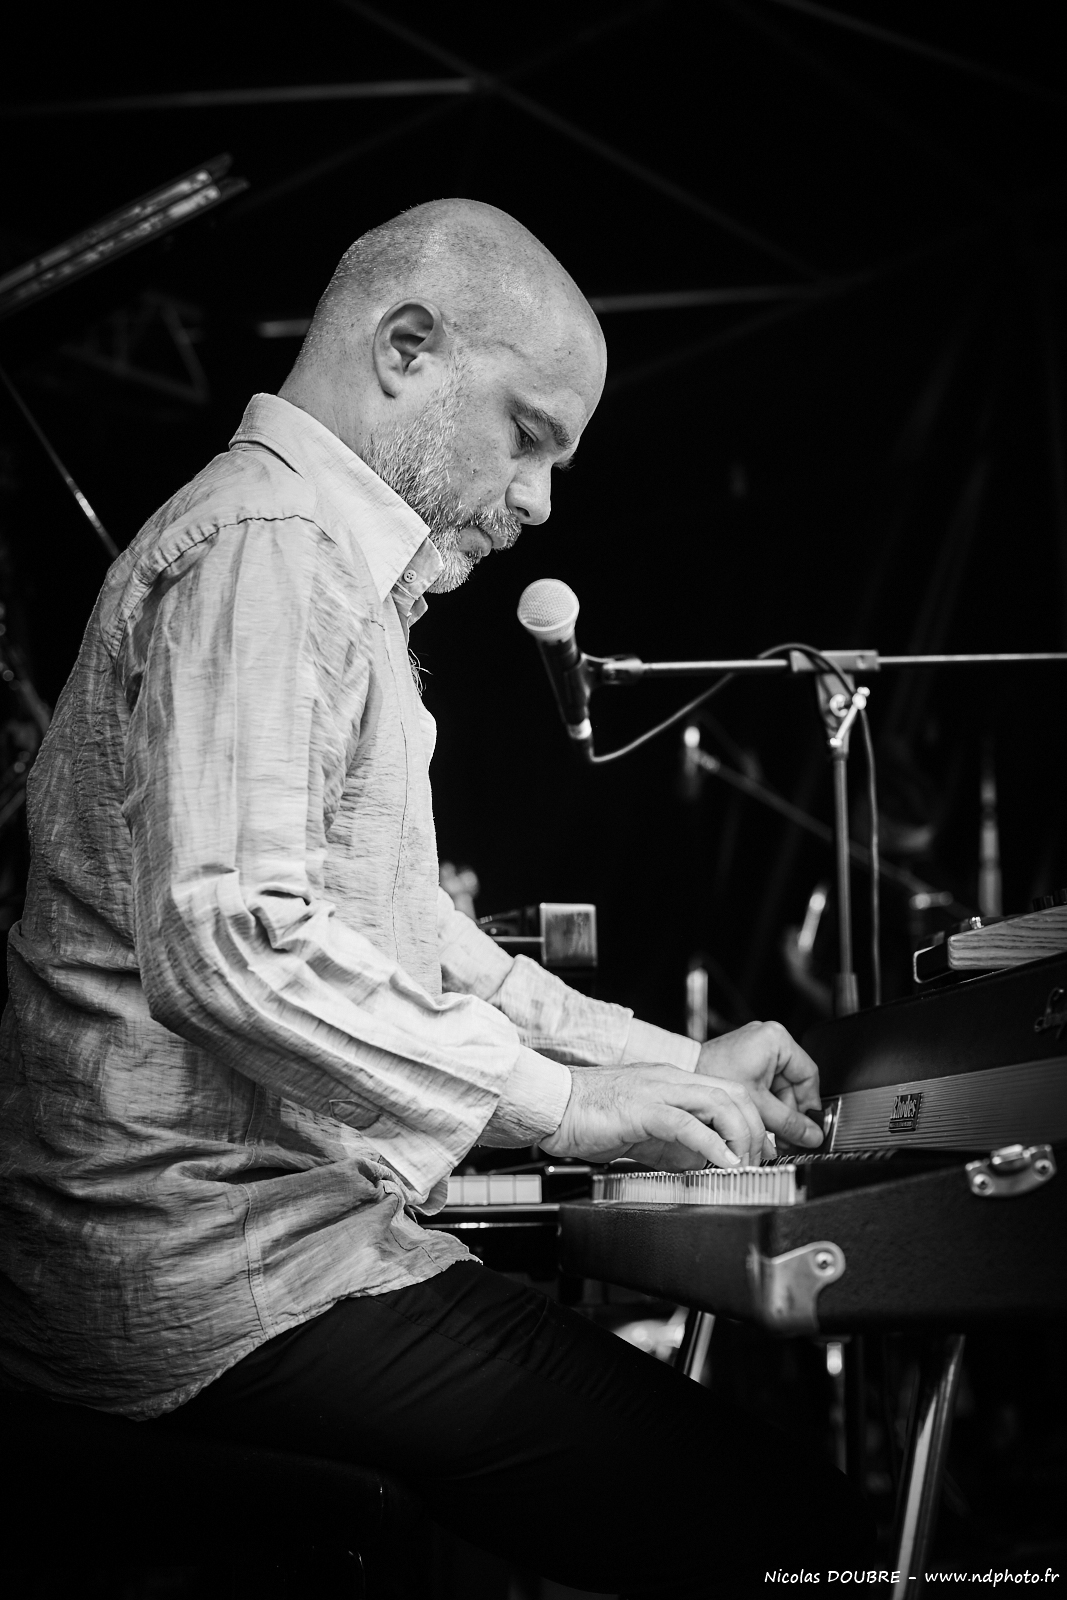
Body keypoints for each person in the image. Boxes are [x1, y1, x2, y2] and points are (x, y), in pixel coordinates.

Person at [0, 200, 869, 1595]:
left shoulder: (312, 564)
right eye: (528, 436)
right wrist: (573, 1108)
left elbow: (416, 943)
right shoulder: (266, 549)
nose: (538, 501)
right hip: (204, 1272)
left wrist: (667, 1065)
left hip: (263, 1248)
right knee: (795, 1532)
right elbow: (235, 945)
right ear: (407, 349)